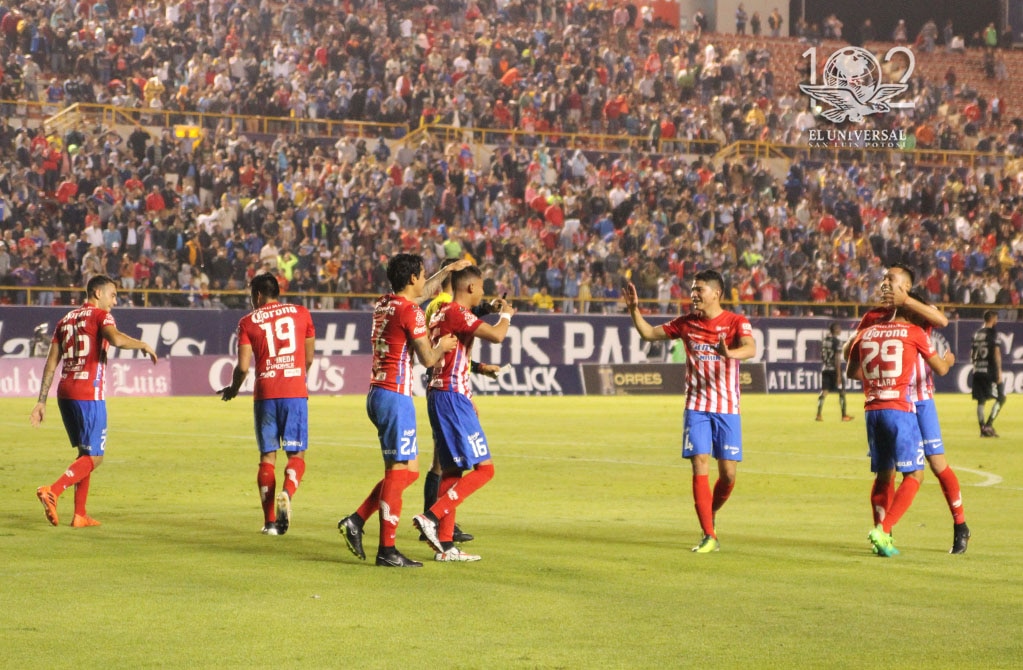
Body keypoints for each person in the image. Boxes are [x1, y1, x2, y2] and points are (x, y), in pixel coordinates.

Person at [337, 254, 464, 568]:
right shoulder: (411, 312)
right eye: (422, 275)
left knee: (410, 471)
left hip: (378, 392)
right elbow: (428, 359)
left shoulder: (385, 303)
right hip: (396, 396)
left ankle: (356, 520)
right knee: (397, 473)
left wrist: (445, 271)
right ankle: (387, 549)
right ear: (411, 279)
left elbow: (420, 292)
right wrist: (444, 347)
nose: (425, 281)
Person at [623, 269, 757, 553]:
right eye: (693, 289)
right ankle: (709, 535)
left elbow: (750, 348)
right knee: (700, 464)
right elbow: (648, 333)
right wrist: (635, 311)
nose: (693, 294)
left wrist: (730, 354)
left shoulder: (736, 321)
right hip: (696, 406)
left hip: (727, 408)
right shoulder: (686, 323)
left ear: (716, 293)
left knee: (729, 476)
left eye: (699, 290)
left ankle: (710, 513)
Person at [850, 266, 968, 553]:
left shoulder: (917, 310)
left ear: (905, 286)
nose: (885, 284)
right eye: (884, 280)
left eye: (891, 280)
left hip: (921, 399)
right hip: (893, 399)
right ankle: (884, 532)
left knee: (938, 465)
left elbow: (940, 319)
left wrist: (907, 301)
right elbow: (853, 353)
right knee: (885, 473)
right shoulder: (872, 317)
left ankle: (960, 525)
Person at [31, 275, 158, 527]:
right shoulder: (101, 316)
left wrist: (41, 401)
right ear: (97, 293)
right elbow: (116, 339)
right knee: (96, 457)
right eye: (112, 294)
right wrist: (142, 344)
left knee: (84, 454)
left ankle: (80, 514)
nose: (114, 300)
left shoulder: (64, 319)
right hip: (89, 393)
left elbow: (51, 362)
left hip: (65, 391)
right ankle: (53, 490)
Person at [413, 265, 516, 562]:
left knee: (452, 470)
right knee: (485, 469)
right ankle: (432, 516)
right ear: (470, 287)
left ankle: (446, 546)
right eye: (481, 287)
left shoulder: (440, 312)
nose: (483, 292)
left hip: (440, 394)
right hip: (452, 397)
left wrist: (479, 371)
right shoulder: (457, 312)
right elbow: (496, 336)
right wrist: (507, 314)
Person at [218, 273, 315, 536]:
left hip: (265, 393)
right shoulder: (301, 313)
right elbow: (308, 358)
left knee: (267, 457)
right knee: (296, 455)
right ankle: (287, 492)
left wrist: (233, 389)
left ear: (258, 295)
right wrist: (294, 376)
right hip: (294, 391)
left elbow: (243, 367)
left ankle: (270, 522)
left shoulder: (248, 322)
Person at [971, 310, 1004, 437]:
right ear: (992, 318)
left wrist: (975, 365)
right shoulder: (993, 334)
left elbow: (972, 354)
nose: (997, 320)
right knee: (1001, 397)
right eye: (996, 318)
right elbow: (996, 352)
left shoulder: (976, 334)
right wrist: (999, 371)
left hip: (977, 370)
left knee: (981, 401)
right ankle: (989, 425)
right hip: (989, 371)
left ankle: (982, 428)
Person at [816, 322, 853, 422]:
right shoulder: (837, 341)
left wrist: (826, 364)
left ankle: (818, 414)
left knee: (824, 391)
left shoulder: (825, 340)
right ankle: (844, 415)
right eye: (839, 328)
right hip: (834, 370)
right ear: (835, 329)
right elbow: (837, 358)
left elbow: (822, 355)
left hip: (825, 368)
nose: (840, 330)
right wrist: (839, 375)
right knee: (842, 392)